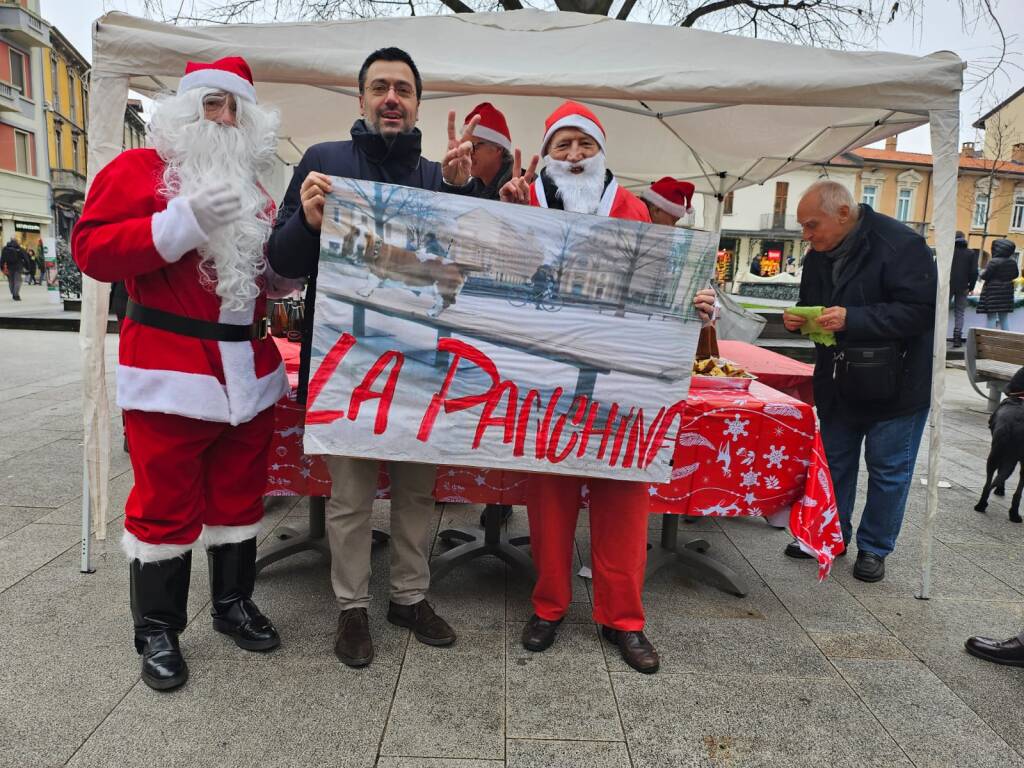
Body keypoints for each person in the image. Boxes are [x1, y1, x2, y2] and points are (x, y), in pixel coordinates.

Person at [72, 56, 290, 691]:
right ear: (184, 112)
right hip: (170, 370)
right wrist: (183, 222)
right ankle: (158, 631)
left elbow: (263, 285)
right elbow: (91, 251)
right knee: (164, 506)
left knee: (238, 498)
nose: (224, 118)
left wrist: (286, 269)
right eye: (212, 105)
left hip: (248, 373)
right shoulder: (138, 171)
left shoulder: (258, 191)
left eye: (235, 109)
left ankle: (231, 604)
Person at [267, 47, 478, 668]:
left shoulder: (443, 177)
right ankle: (352, 607)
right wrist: (306, 222)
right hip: (345, 362)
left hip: (422, 365)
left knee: (417, 493)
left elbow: (470, 269)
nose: (392, 98)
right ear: (360, 99)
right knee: (351, 496)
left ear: (417, 104)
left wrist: (472, 193)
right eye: (380, 87)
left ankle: (409, 597)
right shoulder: (323, 164)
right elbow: (280, 264)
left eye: (404, 89)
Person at [500, 101, 659, 674]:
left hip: (619, 380)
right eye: (562, 146)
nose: (572, 157)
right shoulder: (523, 201)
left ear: (600, 151)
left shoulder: (633, 208)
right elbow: (500, 280)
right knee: (548, 501)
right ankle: (549, 605)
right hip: (547, 379)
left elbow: (658, 282)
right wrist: (513, 225)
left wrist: (694, 303)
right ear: (547, 153)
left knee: (624, 500)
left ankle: (625, 619)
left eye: (583, 146)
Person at [781, 180, 936, 582]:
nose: (807, 235)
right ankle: (833, 536)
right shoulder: (819, 253)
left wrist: (855, 318)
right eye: (804, 227)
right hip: (839, 379)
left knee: (888, 470)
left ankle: (874, 548)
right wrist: (799, 319)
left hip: (897, 383)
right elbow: (812, 303)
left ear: (843, 214)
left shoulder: (902, 244)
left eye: (812, 225)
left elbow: (921, 313)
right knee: (834, 464)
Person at [462, 102, 515, 200]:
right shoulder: (470, 188)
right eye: (466, 146)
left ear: (498, 148)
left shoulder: (522, 186)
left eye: (474, 146)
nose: (468, 153)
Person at [977, 238, 1019, 331]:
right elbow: (1015, 275)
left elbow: (985, 275)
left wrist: (981, 272)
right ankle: (1005, 340)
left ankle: (988, 341)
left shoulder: (993, 261)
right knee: (1004, 319)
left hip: (992, 293)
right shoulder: (1013, 262)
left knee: (991, 318)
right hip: (1007, 292)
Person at [949, 231, 978, 347]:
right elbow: (974, 272)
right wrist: (971, 287)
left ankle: (938, 337)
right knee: (959, 312)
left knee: (941, 312)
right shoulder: (971, 253)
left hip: (948, 285)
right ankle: (957, 339)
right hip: (963, 287)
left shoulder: (949, 251)